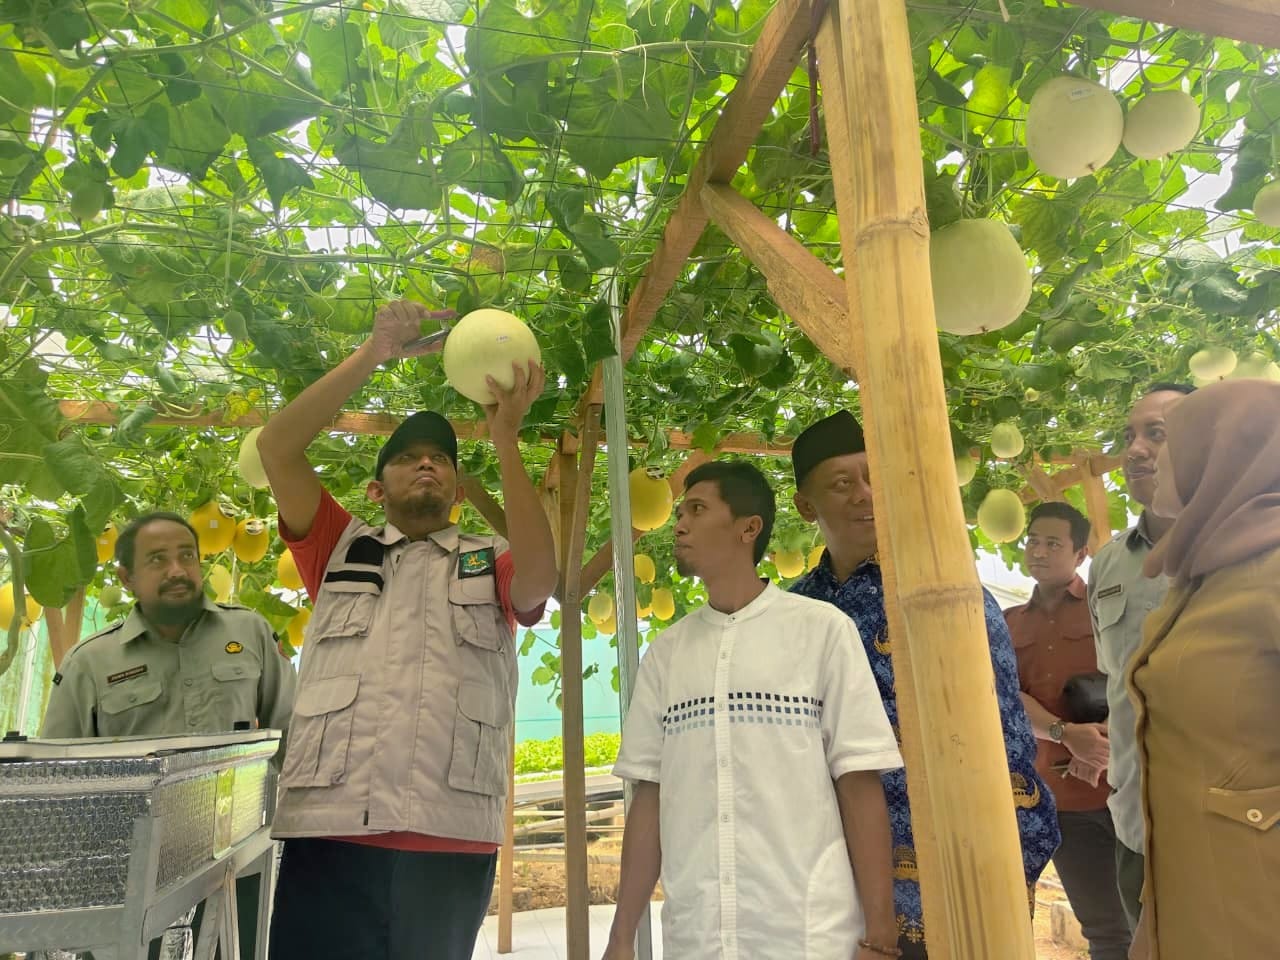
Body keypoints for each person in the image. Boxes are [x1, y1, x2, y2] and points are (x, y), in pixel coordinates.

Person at [257, 299, 557, 960]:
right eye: (407, 457)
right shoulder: (338, 546)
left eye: (441, 460)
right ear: (375, 487)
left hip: (450, 837)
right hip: (331, 833)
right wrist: (373, 354)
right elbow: (276, 447)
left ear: (455, 488)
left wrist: (504, 437)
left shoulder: (485, 557)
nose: (428, 464)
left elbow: (540, 578)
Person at [605, 460, 904, 960]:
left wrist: (880, 933)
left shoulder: (822, 631)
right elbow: (649, 800)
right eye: (679, 512)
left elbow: (859, 783)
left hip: (810, 935)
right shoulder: (666, 653)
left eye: (697, 509)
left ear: (749, 528)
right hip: (697, 936)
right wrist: (620, 940)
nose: (679, 524)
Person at [788, 410, 1059, 959]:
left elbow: (1005, 740)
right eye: (844, 483)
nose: (866, 494)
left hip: (948, 886)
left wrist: (1008, 865)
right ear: (806, 506)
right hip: (825, 887)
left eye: (874, 478)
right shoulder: (792, 609)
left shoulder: (944, 590)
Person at [42, 510, 296, 960]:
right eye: (157, 559)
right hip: (129, 877)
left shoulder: (249, 632)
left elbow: (294, 739)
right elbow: (55, 782)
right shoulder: (91, 662)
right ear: (126, 577)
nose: (177, 570)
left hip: (235, 869)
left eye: (187, 556)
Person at [1123, 379, 1280, 960]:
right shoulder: (1200, 579)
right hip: (1195, 914)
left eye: (1170, 438)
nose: (1147, 457)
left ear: (1229, 453)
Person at [1085, 383, 1193, 932]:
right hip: (1134, 829)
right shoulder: (1107, 567)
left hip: (1236, 831)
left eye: (1157, 433)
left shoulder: (1260, 552)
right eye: (1129, 435)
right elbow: (1116, 685)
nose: (1134, 449)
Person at [1004, 502, 1130, 960]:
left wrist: (1101, 739)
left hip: (1128, 790)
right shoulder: (1007, 623)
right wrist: (1064, 734)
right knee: (1105, 927)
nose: (1038, 550)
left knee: (1158, 914)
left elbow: (1135, 677)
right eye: (1032, 541)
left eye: (1052, 543)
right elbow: (1004, 695)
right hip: (1061, 803)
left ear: (1080, 553)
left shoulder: (1107, 609)